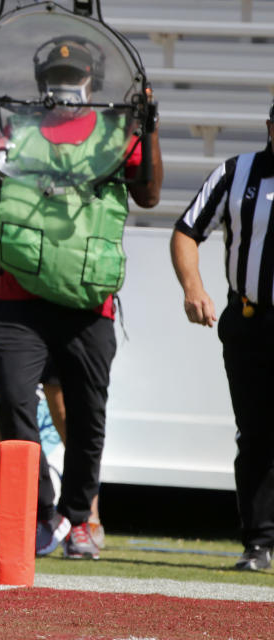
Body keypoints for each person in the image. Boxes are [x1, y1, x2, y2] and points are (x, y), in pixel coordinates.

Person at [0, 38, 162, 559]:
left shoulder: (117, 135)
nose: (64, 83)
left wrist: (150, 123)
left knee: (87, 418)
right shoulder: (16, 129)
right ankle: (39, 515)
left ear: (93, 81)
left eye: (73, 74)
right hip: (17, 298)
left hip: (88, 306)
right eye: (55, 73)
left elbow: (149, 194)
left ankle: (79, 519)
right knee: (14, 408)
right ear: (41, 79)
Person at [0, 199, 104, 547]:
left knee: (67, 413)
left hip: (60, 301)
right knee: (3, 413)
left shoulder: (73, 168)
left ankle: (87, 517)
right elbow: (0, 230)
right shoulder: (12, 169)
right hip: (8, 304)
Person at [169, 103, 274, 571]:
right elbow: (187, 231)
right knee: (255, 434)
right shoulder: (237, 173)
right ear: (271, 127)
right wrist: (194, 288)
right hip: (251, 322)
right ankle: (260, 542)